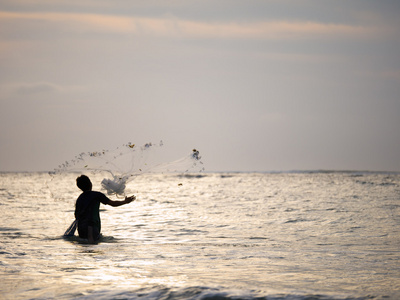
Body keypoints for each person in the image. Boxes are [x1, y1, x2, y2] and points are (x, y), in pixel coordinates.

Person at [75, 175, 135, 243]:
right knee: (91, 247)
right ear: (90, 184)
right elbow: (112, 203)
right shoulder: (96, 195)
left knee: (84, 247)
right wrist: (125, 202)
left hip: (81, 227)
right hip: (91, 226)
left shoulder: (79, 198)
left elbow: (76, 215)